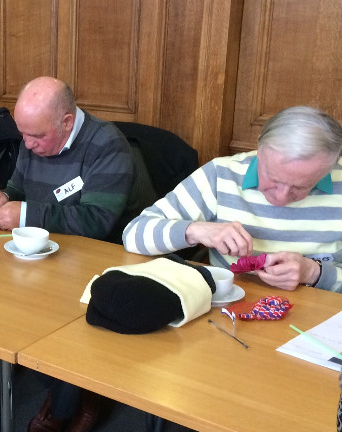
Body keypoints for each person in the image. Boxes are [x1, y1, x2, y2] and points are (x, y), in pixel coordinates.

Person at [0, 76, 136, 432]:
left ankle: (69, 398)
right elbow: (19, 188)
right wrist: (0, 195)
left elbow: (99, 220)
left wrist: (26, 214)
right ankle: (77, 387)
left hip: (98, 260)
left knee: (64, 311)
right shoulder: (36, 136)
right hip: (43, 255)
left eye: (36, 137)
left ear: (66, 121)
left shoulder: (107, 145)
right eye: (23, 135)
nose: (27, 144)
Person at [123, 105, 342, 294]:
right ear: (259, 149)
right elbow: (133, 235)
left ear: (329, 168)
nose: (281, 197)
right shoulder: (222, 174)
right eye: (273, 178)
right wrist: (197, 230)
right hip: (232, 310)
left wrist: (314, 272)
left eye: (300, 186)